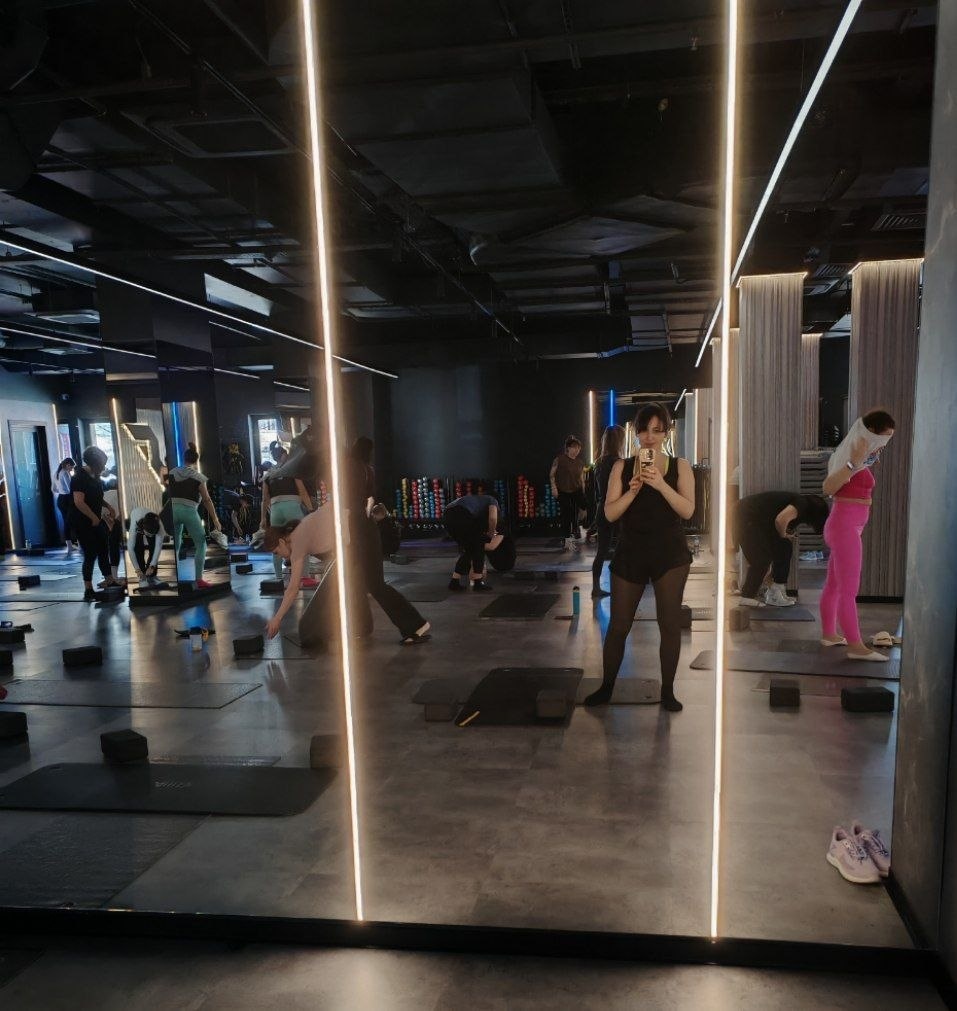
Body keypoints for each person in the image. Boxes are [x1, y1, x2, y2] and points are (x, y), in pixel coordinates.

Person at [585, 403, 695, 711]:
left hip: (670, 554)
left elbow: (688, 510)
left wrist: (660, 484)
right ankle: (606, 687)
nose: (649, 437)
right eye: (644, 430)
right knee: (619, 625)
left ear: (666, 433)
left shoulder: (680, 466)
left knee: (669, 624)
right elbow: (609, 514)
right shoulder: (621, 467)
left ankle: (668, 691)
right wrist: (632, 491)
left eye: (657, 431)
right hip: (630, 551)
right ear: (636, 433)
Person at [820, 409, 896, 661]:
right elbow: (828, 487)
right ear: (871, 431)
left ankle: (829, 634)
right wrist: (854, 462)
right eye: (884, 436)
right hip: (844, 527)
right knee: (848, 590)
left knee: (834, 585)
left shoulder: (861, 455)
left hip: (847, 526)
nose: (885, 442)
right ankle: (855, 646)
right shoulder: (851, 456)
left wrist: (863, 460)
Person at [346, 438, 431, 644]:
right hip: (364, 529)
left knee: (374, 585)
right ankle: (361, 627)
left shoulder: (353, 469)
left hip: (359, 531)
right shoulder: (367, 470)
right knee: (357, 581)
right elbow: (368, 502)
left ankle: (415, 625)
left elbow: (352, 504)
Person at [733, 492, 829, 607]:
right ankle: (748, 596)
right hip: (746, 516)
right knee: (761, 560)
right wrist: (784, 536)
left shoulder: (800, 503)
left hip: (751, 517)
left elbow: (779, 521)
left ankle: (775, 591)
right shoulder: (802, 504)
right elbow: (781, 520)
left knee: (783, 548)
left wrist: (784, 535)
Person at [263, 509, 336, 646]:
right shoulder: (299, 533)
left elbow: (292, 589)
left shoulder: (297, 541)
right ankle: (362, 626)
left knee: (307, 630)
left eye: (276, 552)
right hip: (354, 540)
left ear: (281, 541)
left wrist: (277, 618)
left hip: (355, 539)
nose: (279, 556)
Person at [167, 443, 225, 589]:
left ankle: (173, 578)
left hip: (172, 510)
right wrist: (215, 519)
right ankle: (199, 579)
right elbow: (207, 500)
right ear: (196, 461)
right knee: (201, 544)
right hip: (189, 511)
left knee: (176, 544)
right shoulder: (198, 477)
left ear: (184, 458)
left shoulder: (172, 473)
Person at [70, 446, 122, 600]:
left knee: (103, 548)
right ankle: (88, 589)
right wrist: (93, 517)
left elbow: (97, 496)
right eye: (102, 464)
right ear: (94, 463)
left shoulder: (95, 476)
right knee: (90, 554)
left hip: (95, 519)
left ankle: (109, 579)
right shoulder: (79, 477)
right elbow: (79, 502)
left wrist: (108, 506)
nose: (104, 467)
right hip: (82, 521)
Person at [260, 468, 314, 582]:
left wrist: (263, 518)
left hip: (275, 510)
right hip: (293, 507)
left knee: (275, 542)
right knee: (301, 541)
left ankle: (278, 577)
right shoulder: (292, 470)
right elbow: (302, 491)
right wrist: (311, 510)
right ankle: (304, 577)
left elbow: (265, 499)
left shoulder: (268, 475)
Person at [443, 490, 503, 591]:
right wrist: (490, 534)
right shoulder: (492, 500)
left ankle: (455, 581)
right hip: (461, 514)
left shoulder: (474, 499)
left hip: (446, 517)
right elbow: (493, 519)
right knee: (478, 547)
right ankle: (477, 583)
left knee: (470, 550)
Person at [591, 425, 625, 599]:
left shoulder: (599, 463)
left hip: (602, 509)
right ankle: (620, 587)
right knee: (622, 550)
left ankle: (596, 587)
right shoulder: (618, 463)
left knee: (602, 551)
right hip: (617, 509)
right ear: (619, 442)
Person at [550, 436, 585, 550]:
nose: (576, 450)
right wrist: (554, 488)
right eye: (574, 447)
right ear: (568, 448)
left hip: (577, 489)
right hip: (563, 490)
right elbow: (552, 474)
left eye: (578, 448)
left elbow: (581, 478)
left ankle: (577, 528)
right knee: (566, 514)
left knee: (583, 508)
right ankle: (567, 539)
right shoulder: (559, 459)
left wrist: (583, 491)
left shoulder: (580, 462)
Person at [127, 508, 165, 586]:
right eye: (148, 534)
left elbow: (157, 547)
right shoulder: (135, 525)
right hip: (136, 517)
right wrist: (137, 569)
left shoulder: (160, 527)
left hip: (148, 522)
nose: (150, 536)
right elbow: (130, 549)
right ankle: (142, 577)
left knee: (153, 547)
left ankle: (152, 576)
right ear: (143, 528)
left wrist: (152, 566)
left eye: (152, 535)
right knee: (138, 548)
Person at [52, 458, 78, 558]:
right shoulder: (65, 473)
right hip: (67, 499)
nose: (72, 469)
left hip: (60, 499)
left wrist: (61, 491)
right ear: (67, 465)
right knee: (74, 521)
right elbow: (70, 488)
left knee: (66, 522)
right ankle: (79, 544)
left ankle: (70, 546)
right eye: (71, 467)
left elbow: (54, 489)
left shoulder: (56, 473)